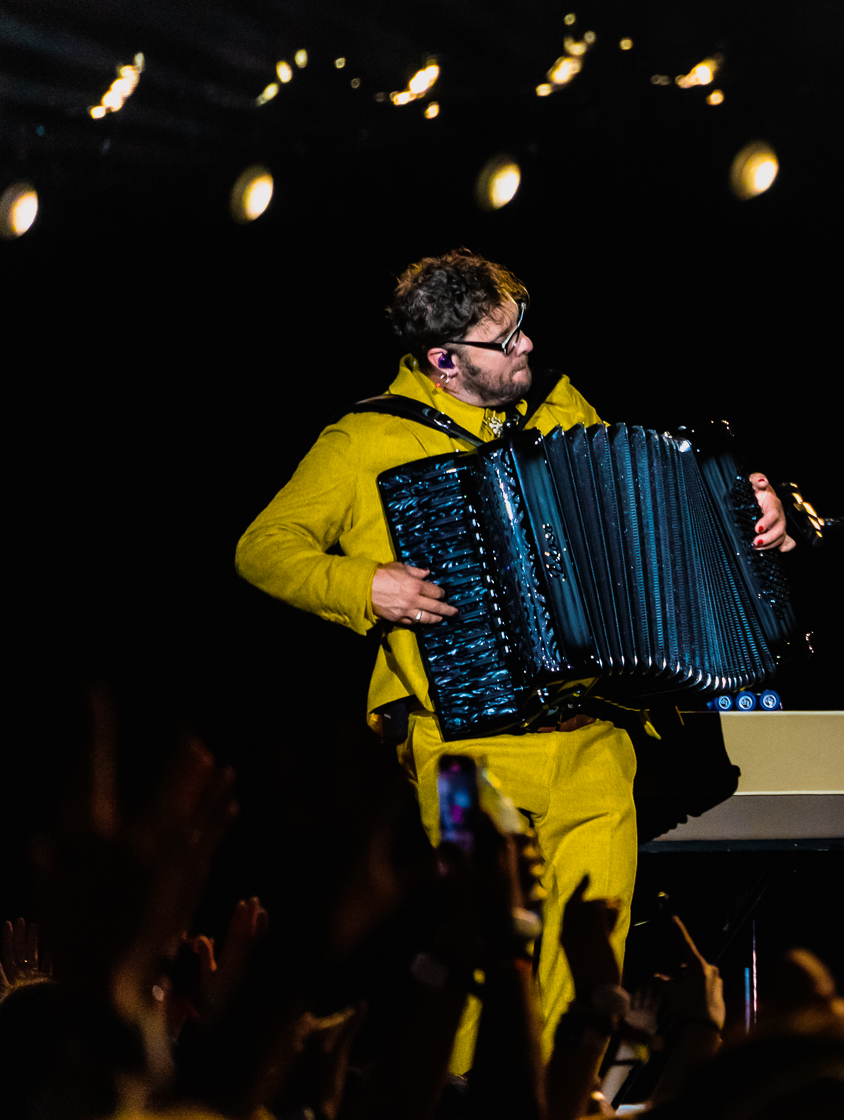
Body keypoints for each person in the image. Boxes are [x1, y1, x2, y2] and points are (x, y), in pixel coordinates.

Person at [235, 250, 795, 1067]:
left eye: (524, 326)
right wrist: (365, 585)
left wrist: (746, 512)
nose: (529, 347)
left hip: (589, 735)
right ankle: (458, 1091)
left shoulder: (559, 407)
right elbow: (263, 548)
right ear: (444, 360)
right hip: (454, 748)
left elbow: (643, 515)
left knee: (591, 942)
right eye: (506, 339)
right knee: (478, 929)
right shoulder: (362, 441)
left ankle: (552, 1091)